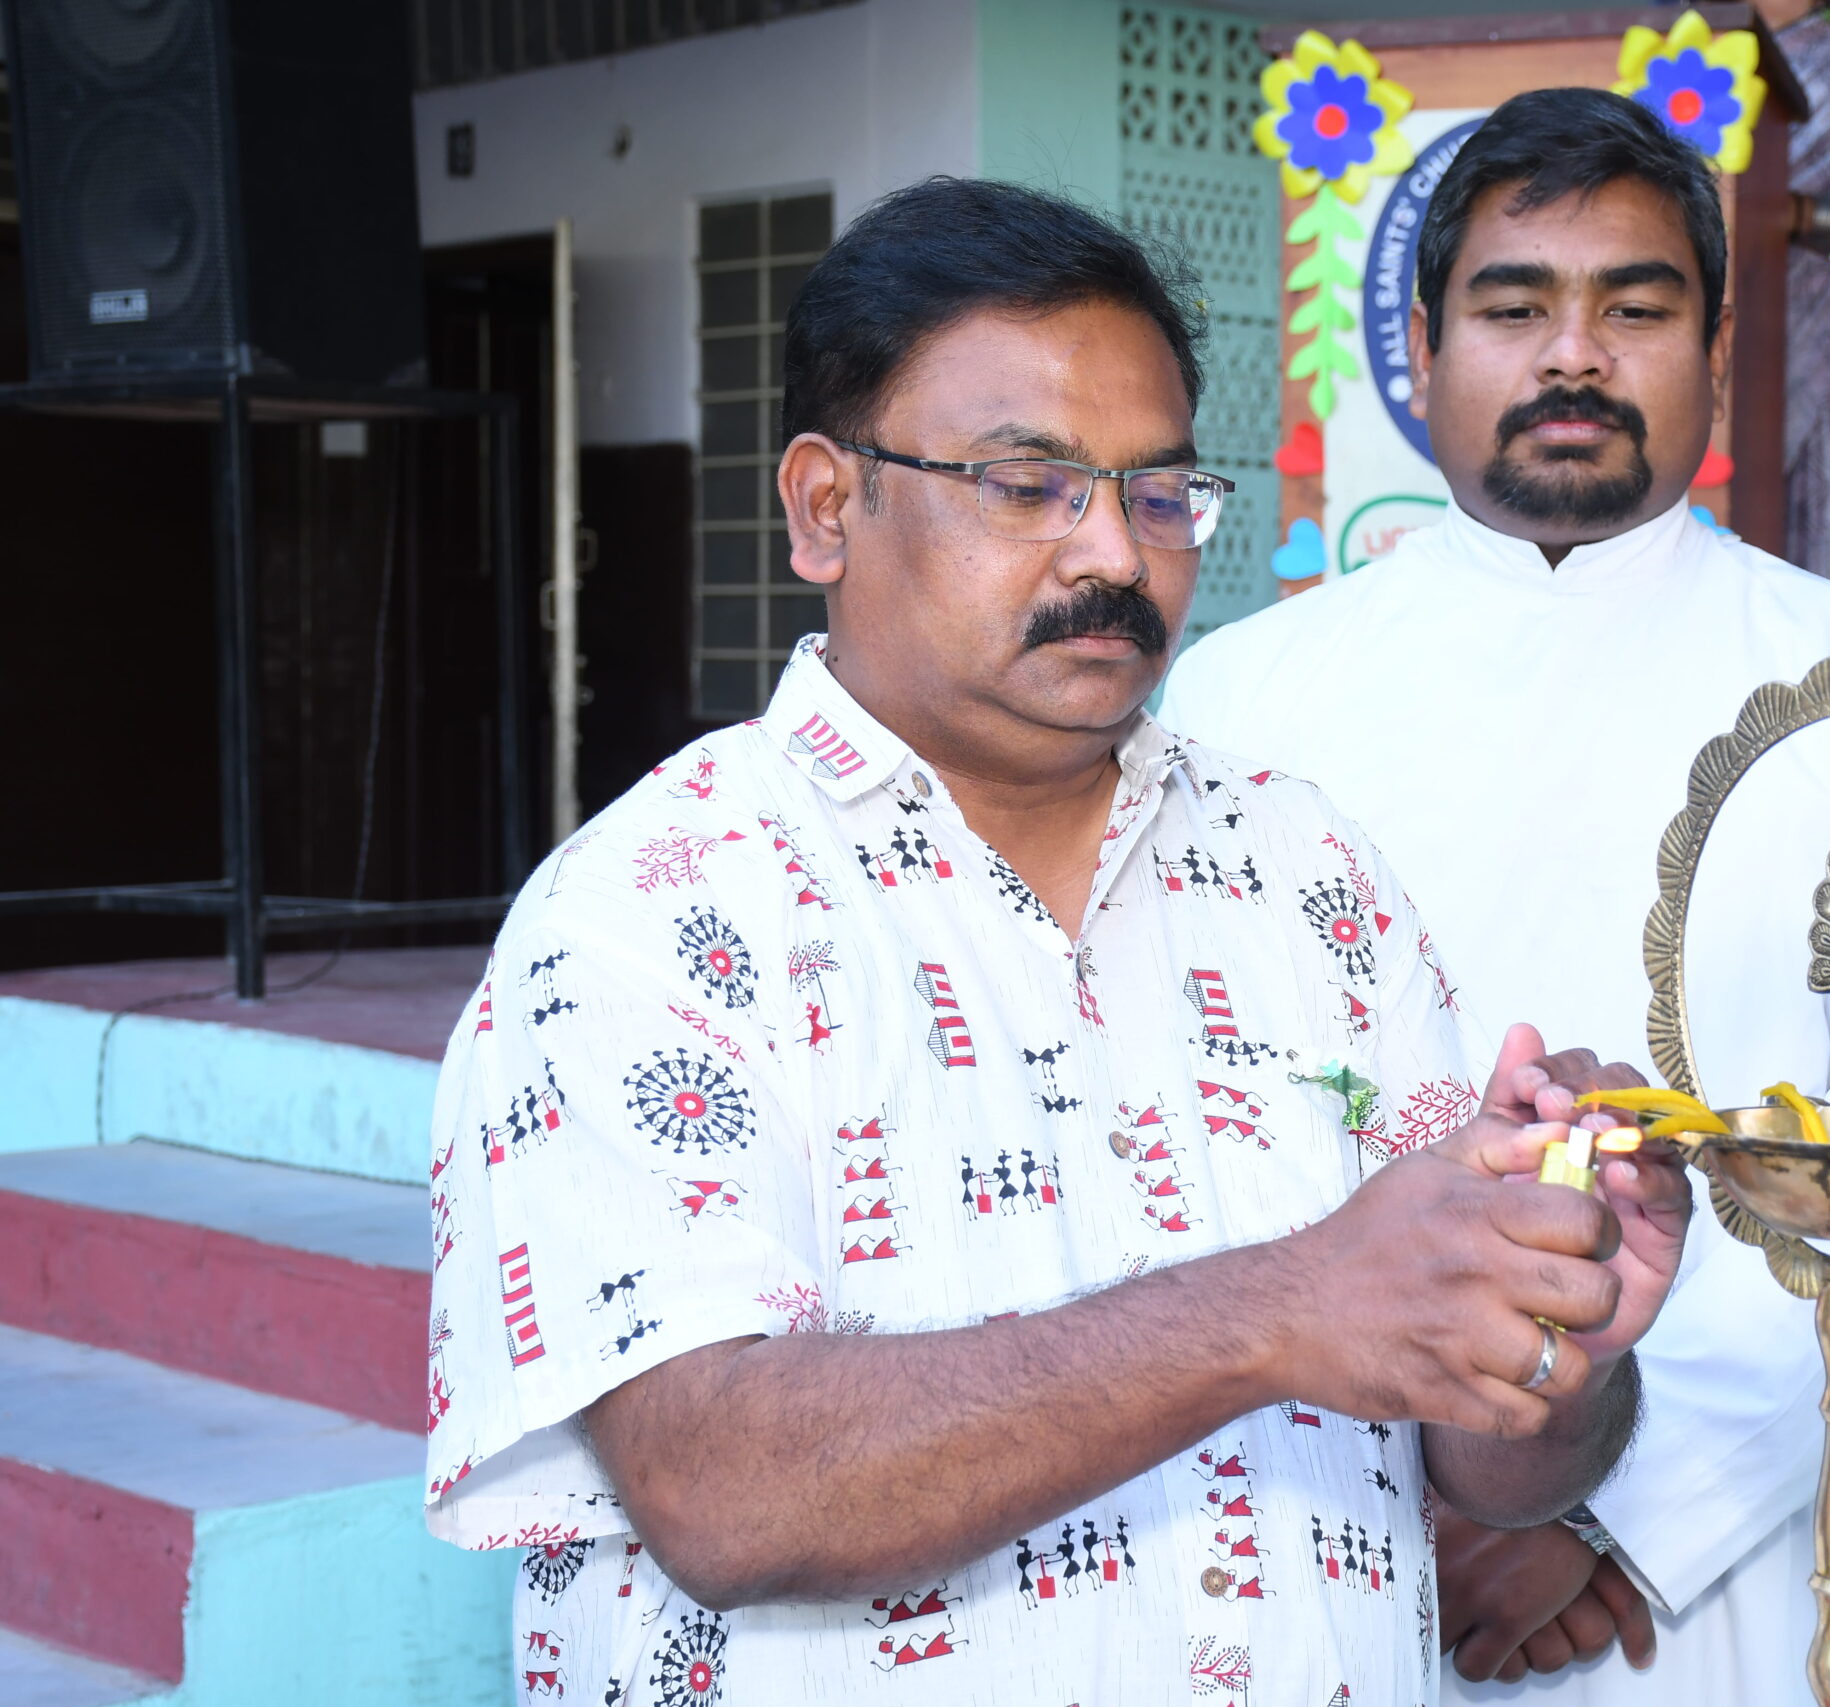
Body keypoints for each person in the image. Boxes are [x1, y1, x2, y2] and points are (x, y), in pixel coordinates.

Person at [422, 174, 1694, 1705]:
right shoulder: (654, 907)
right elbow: (721, 1491)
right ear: (827, 507)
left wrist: (1561, 1330)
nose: (1113, 556)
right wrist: (1286, 1307)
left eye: (1156, 494)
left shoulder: (1308, 874)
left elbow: (1487, 1469)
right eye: (1027, 484)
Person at [1161, 89, 1830, 1705]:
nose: (1574, 357)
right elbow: (1193, 1142)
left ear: (1718, 347)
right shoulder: (1237, 701)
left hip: (1714, 1570)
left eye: (1635, 309)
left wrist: (1616, 1517)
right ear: (1419, 348)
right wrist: (1425, 1497)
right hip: (1332, 1524)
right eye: (1514, 309)